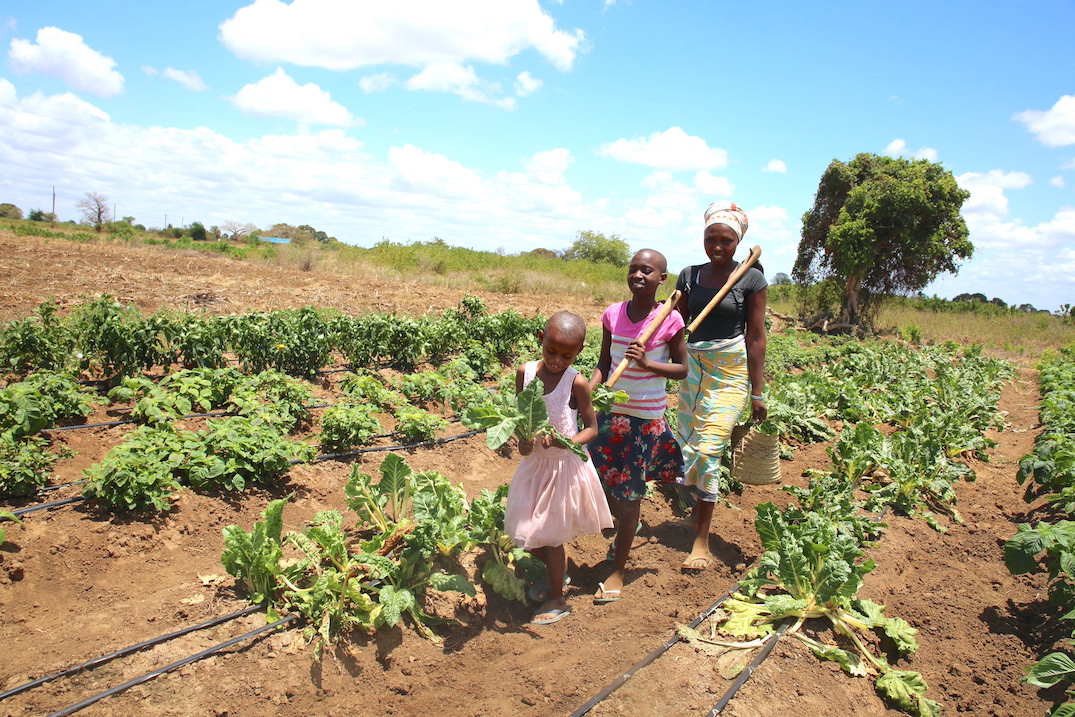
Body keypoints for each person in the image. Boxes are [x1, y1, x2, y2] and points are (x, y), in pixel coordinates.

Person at [588, 249, 687, 603]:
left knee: (629, 496)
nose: (639, 275)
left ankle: (618, 569)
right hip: (608, 415)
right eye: (633, 269)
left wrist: (646, 363)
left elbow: (682, 369)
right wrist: (587, 390)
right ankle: (623, 532)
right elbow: (604, 362)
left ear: (662, 279)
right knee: (600, 486)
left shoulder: (668, 320)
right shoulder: (613, 315)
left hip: (644, 420)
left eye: (648, 271)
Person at [674, 201, 767, 571]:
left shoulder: (751, 278)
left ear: (737, 241)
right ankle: (694, 512)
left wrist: (757, 392)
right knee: (688, 446)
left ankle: (701, 539)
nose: (717, 246)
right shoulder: (689, 275)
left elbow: (756, 337)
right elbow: (674, 327)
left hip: (729, 371)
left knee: (709, 448)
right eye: (710, 238)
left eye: (725, 240)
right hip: (692, 370)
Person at [504, 311, 614, 624]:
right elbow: (519, 417)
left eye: (567, 356)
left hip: (562, 468)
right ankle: (557, 576)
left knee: (550, 537)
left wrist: (565, 441)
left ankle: (558, 599)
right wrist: (522, 440)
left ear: (578, 352)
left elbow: (591, 428)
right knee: (525, 532)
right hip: (534, 465)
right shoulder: (525, 373)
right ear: (541, 339)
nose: (556, 360)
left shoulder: (576, 382)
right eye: (551, 351)